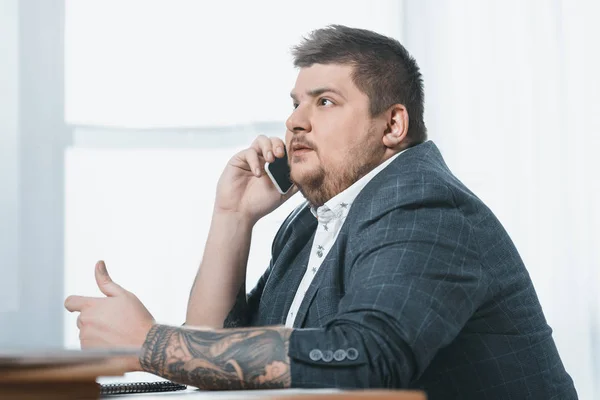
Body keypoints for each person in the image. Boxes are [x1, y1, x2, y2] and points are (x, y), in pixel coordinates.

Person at [64, 25, 577, 399]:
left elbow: (366, 359)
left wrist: (149, 343)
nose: (294, 121)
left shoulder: (424, 206)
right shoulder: (311, 221)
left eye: (324, 102)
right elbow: (218, 359)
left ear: (393, 125)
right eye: (295, 103)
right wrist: (233, 218)